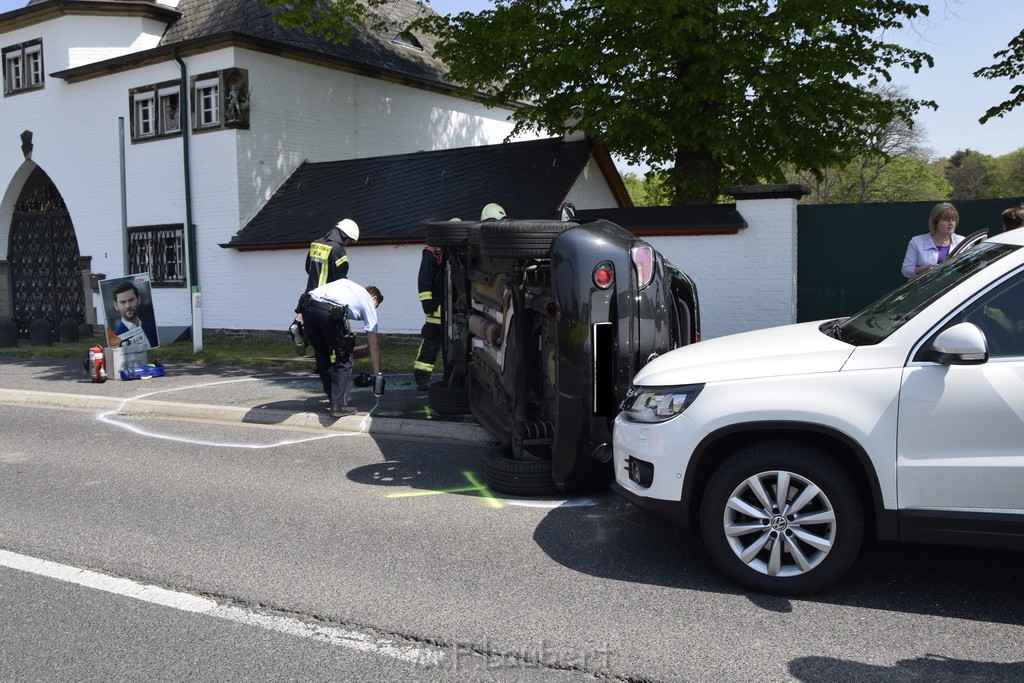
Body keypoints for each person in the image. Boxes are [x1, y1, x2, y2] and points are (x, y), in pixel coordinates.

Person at [296, 279, 384, 418]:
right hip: (329, 312)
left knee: (322, 354)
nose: (374, 309)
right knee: (344, 358)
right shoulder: (367, 300)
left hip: (307, 307)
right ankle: (338, 405)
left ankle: (332, 397)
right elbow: (373, 345)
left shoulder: (346, 285)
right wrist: (378, 375)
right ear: (374, 297)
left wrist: (297, 320)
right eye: (376, 305)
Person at [413, 232, 449, 391]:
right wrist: (428, 305)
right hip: (436, 311)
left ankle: (452, 379)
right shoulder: (433, 254)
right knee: (430, 346)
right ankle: (421, 378)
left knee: (454, 349)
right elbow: (425, 280)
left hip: (455, 313)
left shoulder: (461, 254)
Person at [901, 202, 964, 279]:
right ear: (935, 222)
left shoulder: (963, 242)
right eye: (946, 220)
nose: (951, 223)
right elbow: (905, 270)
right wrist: (925, 270)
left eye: (953, 220)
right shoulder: (917, 241)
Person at [306, 218, 358, 291]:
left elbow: (308, 268)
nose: (347, 244)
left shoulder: (315, 243)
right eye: (349, 241)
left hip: (310, 294)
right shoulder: (337, 249)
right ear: (345, 237)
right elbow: (340, 278)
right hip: (326, 296)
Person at [108, 281, 158, 349]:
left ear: (139, 300)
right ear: (116, 306)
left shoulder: (152, 329)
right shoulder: (115, 338)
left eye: (131, 300)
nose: (128, 306)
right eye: (123, 302)